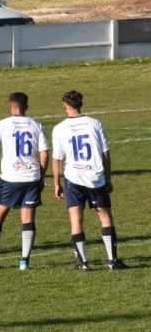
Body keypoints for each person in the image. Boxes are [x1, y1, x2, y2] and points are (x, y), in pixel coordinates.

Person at [51, 90, 128, 271]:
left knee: (76, 219)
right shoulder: (95, 124)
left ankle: (83, 264)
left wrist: (56, 183)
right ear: (81, 104)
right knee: (105, 216)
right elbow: (106, 154)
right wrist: (107, 178)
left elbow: (57, 159)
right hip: (95, 178)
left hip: (73, 178)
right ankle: (112, 260)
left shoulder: (59, 128)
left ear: (64, 107)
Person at [0, 92, 49, 271]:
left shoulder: (2, 124)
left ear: (10, 106)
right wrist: (40, 176)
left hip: (10, 178)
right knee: (28, 220)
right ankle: (24, 261)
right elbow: (45, 154)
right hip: (31, 177)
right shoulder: (36, 125)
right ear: (26, 107)